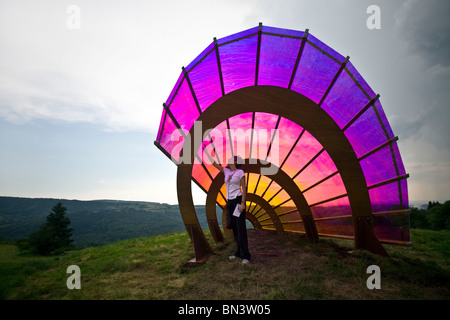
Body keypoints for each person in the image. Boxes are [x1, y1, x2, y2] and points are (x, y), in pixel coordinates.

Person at [212, 156, 251, 264]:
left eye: (231, 158)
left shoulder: (240, 172)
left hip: (238, 201)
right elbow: (214, 164)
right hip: (230, 202)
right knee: (234, 227)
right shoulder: (226, 171)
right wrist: (206, 151)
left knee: (240, 227)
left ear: (235, 161)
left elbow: (244, 187)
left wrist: (243, 203)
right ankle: (238, 252)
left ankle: (245, 256)